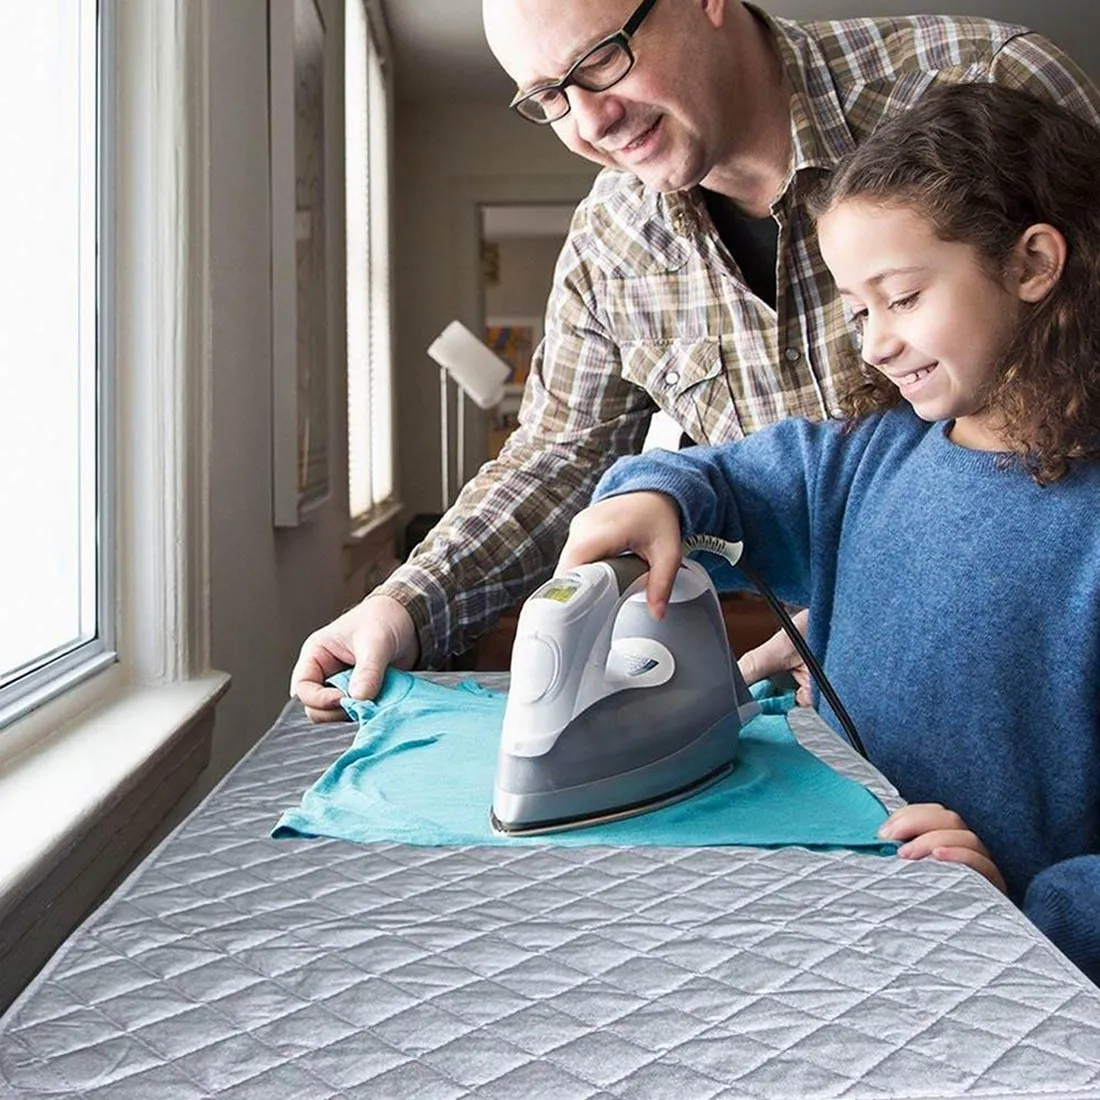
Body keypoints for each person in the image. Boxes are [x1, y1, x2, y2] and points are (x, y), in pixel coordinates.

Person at [291, 0, 1100, 721]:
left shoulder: (983, 79)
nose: (589, 120)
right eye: (548, 98)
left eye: (601, 58)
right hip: (854, 710)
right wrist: (404, 604)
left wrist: (886, 610)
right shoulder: (610, 243)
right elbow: (556, 460)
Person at [556, 82, 1100, 983]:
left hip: (1013, 968)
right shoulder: (863, 461)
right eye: (856, 312)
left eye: (903, 298)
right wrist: (653, 495)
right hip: (846, 919)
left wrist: (1025, 909)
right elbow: (715, 479)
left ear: (1034, 263)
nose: (875, 344)